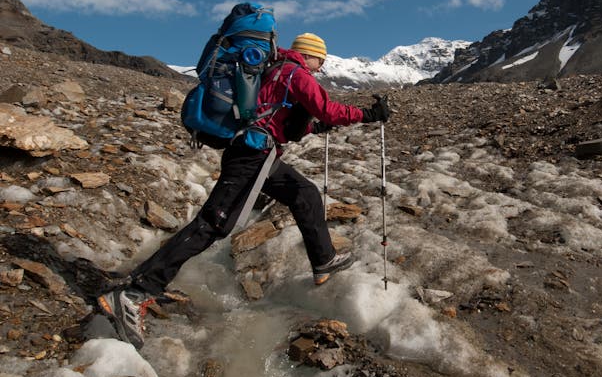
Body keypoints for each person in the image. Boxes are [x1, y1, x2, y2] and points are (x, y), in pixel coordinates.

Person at [97, 32, 390, 348]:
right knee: (212, 225)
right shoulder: (297, 73)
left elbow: (281, 120)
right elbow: (327, 110)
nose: (320, 68)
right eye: (321, 60)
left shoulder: (277, 71)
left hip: (259, 153)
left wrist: (317, 126)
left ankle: (324, 260)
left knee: (302, 193)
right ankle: (135, 292)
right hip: (253, 156)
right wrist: (369, 115)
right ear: (311, 56)